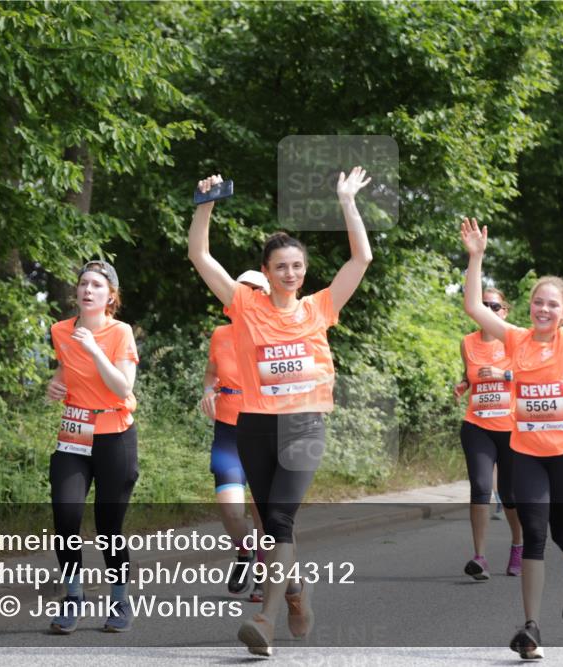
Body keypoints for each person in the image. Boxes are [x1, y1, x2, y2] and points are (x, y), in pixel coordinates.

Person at [188, 167, 373, 656]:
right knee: (270, 526)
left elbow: (362, 257)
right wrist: (204, 203)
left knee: (282, 521)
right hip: (253, 426)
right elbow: (200, 256)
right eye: (281, 267)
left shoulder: (320, 308)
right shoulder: (244, 307)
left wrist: (346, 201)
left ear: (303, 271)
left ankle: (264, 620)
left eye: (297, 266)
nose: (290, 274)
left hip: (304, 425)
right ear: (266, 273)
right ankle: (294, 592)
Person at [461, 209, 563, 660]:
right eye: (537, 302)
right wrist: (475, 258)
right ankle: (531, 628)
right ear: (529, 307)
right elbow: (471, 306)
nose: (543, 309)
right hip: (524, 450)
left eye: (552, 304)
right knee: (535, 532)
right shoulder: (514, 338)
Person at [46, 260, 139, 633]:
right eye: (83, 283)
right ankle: (73, 596)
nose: (87, 290)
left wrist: (95, 349)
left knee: (108, 526)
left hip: (115, 431)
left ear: (110, 296)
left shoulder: (120, 333)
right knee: (66, 515)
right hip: (75, 430)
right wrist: (56, 386)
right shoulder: (60, 330)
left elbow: (123, 388)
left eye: (97, 286)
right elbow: (66, 370)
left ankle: (119, 599)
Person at [199, 270, 269, 601]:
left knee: (262, 511)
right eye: (246, 290)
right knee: (231, 510)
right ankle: (244, 552)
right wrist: (208, 391)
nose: (252, 295)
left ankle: (263, 573)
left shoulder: (276, 334)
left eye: (259, 291)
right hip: (228, 431)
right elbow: (211, 374)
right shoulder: (221, 334)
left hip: (265, 430)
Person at [454, 287, 524, 580]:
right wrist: (464, 384)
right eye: (483, 305)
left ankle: (518, 545)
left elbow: (536, 375)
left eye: (494, 306)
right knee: (481, 488)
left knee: (508, 495)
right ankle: (480, 557)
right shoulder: (467, 343)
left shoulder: (517, 340)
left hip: (510, 429)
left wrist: (503, 374)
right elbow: (470, 373)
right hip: (477, 425)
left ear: (505, 311)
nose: (488, 310)